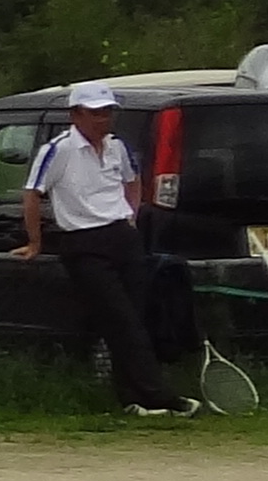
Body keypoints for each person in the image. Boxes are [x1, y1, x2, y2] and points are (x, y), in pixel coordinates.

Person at [14, 81, 190, 416]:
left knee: (135, 317)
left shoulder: (116, 146)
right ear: (76, 115)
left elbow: (132, 180)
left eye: (107, 112)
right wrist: (35, 242)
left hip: (121, 236)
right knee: (121, 319)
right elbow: (33, 193)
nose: (103, 119)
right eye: (95, 113)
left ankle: (132, 396)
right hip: (84, 241)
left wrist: (130, 218)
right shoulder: (59, 149)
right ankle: (157, 395)